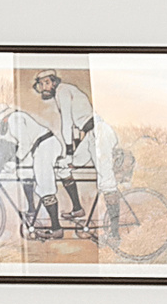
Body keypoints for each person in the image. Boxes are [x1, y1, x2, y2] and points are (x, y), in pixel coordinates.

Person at [18, 68, 108, 233]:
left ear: (54, 82)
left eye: (47, 83)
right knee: (64, 167)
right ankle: (78, 209)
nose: (44, 87)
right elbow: (75, 124)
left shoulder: (63, 91)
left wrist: (68, 151)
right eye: (41, 84)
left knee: (104, 181)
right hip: (89, 134)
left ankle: (108, 225)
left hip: (95, 134)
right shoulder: (64, 91)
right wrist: (71, 149)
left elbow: (67, 122)